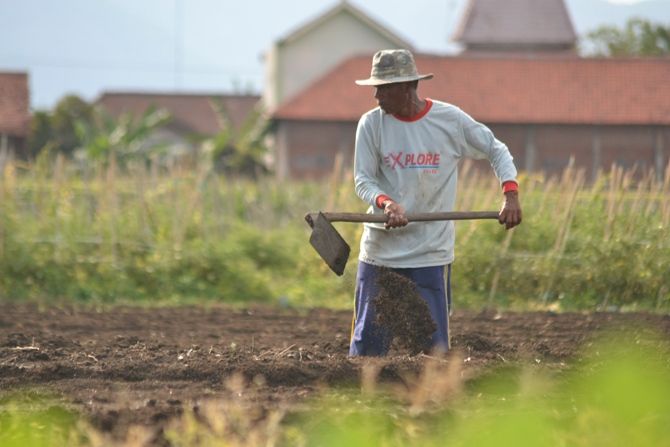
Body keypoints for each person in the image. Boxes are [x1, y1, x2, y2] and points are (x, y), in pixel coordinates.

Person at [349, 49, 522, 357]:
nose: (376, 96)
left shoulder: (449, 120)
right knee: (368, 350)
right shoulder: (371, 124)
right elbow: (363, 180)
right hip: (381, 253)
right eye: (375, 87)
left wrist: (510, 194)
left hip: (429, 253)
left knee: (432, 353)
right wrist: (386, 203)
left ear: (406, 87)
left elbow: (496, 149)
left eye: (383, 88)